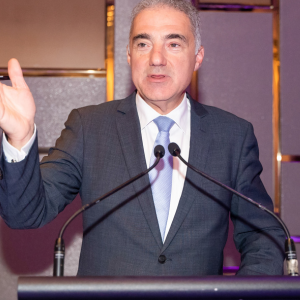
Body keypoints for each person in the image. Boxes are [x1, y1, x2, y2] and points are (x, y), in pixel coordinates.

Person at [0, 0, 285, 276]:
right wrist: (20, 138)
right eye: (143, 44)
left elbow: (264, 234)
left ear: (197, 57)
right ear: (129, 55)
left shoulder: (232, 136)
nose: (156, 59)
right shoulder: (89, 127)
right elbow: (25, 214)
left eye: (173, 44)